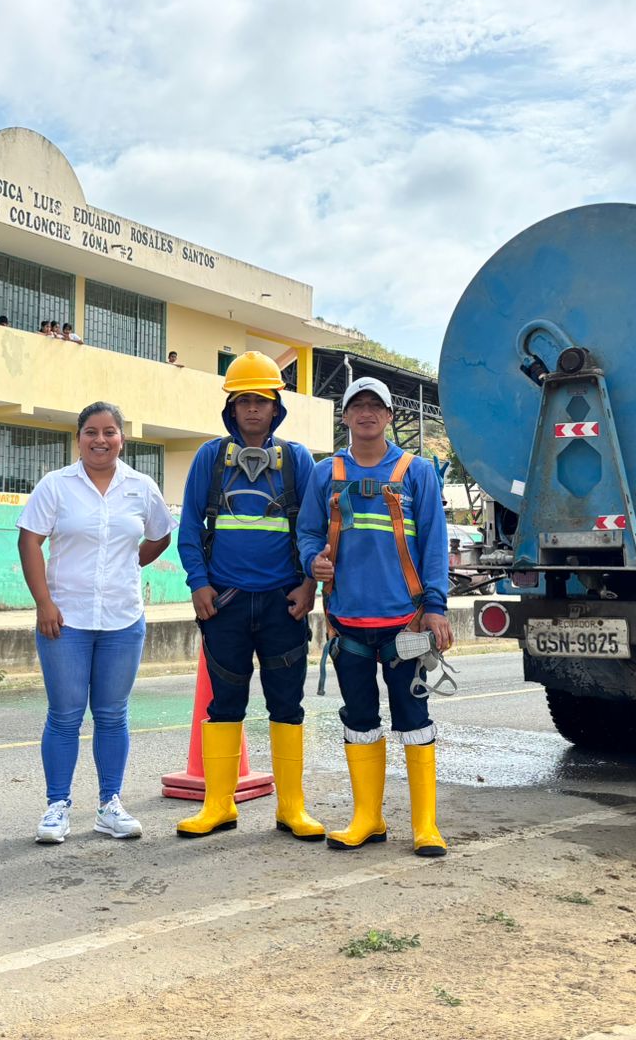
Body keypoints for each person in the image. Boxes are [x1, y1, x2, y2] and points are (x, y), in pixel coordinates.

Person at [297, 376, 454, 858]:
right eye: (357, 406)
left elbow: (434, 542)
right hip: (347, 624)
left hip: (406, 623)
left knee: (414, 718)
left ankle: (425, 825)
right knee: (359, 718)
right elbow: (307, 533)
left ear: (388, 416)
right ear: (345, 416)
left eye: (375, 406)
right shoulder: (326, 473)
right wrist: (312, 561)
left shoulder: (416, 471)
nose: (366, 413)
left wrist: (436, 608)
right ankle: (368, 818)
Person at [173, 352, 320, 839]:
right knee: (224, 705)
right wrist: (198, 584)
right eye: (243, 401)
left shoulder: (297, 460)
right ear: (231, 409)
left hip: (283, 603)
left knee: (287, 705)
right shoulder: (210, 458)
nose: (252, 408)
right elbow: (189, 528)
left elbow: (313, 529)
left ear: (276, 407)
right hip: (226, 603)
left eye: (261, 400)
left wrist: (308, 585)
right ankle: (218, 805)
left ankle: (291, 807)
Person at [17, 402, 173, 843]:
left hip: (123, 619)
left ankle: (110, 805)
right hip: (65, 620)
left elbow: (161, 534)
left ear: (122, 439)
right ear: (78, 438)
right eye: (91, 432)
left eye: (109, 432)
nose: (100, 440)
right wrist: (44, 603)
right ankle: (57, 806)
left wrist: (131, 562)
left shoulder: (141, 487)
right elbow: (29, 542)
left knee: (112, 714)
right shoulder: (56, 485)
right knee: (65, 715)